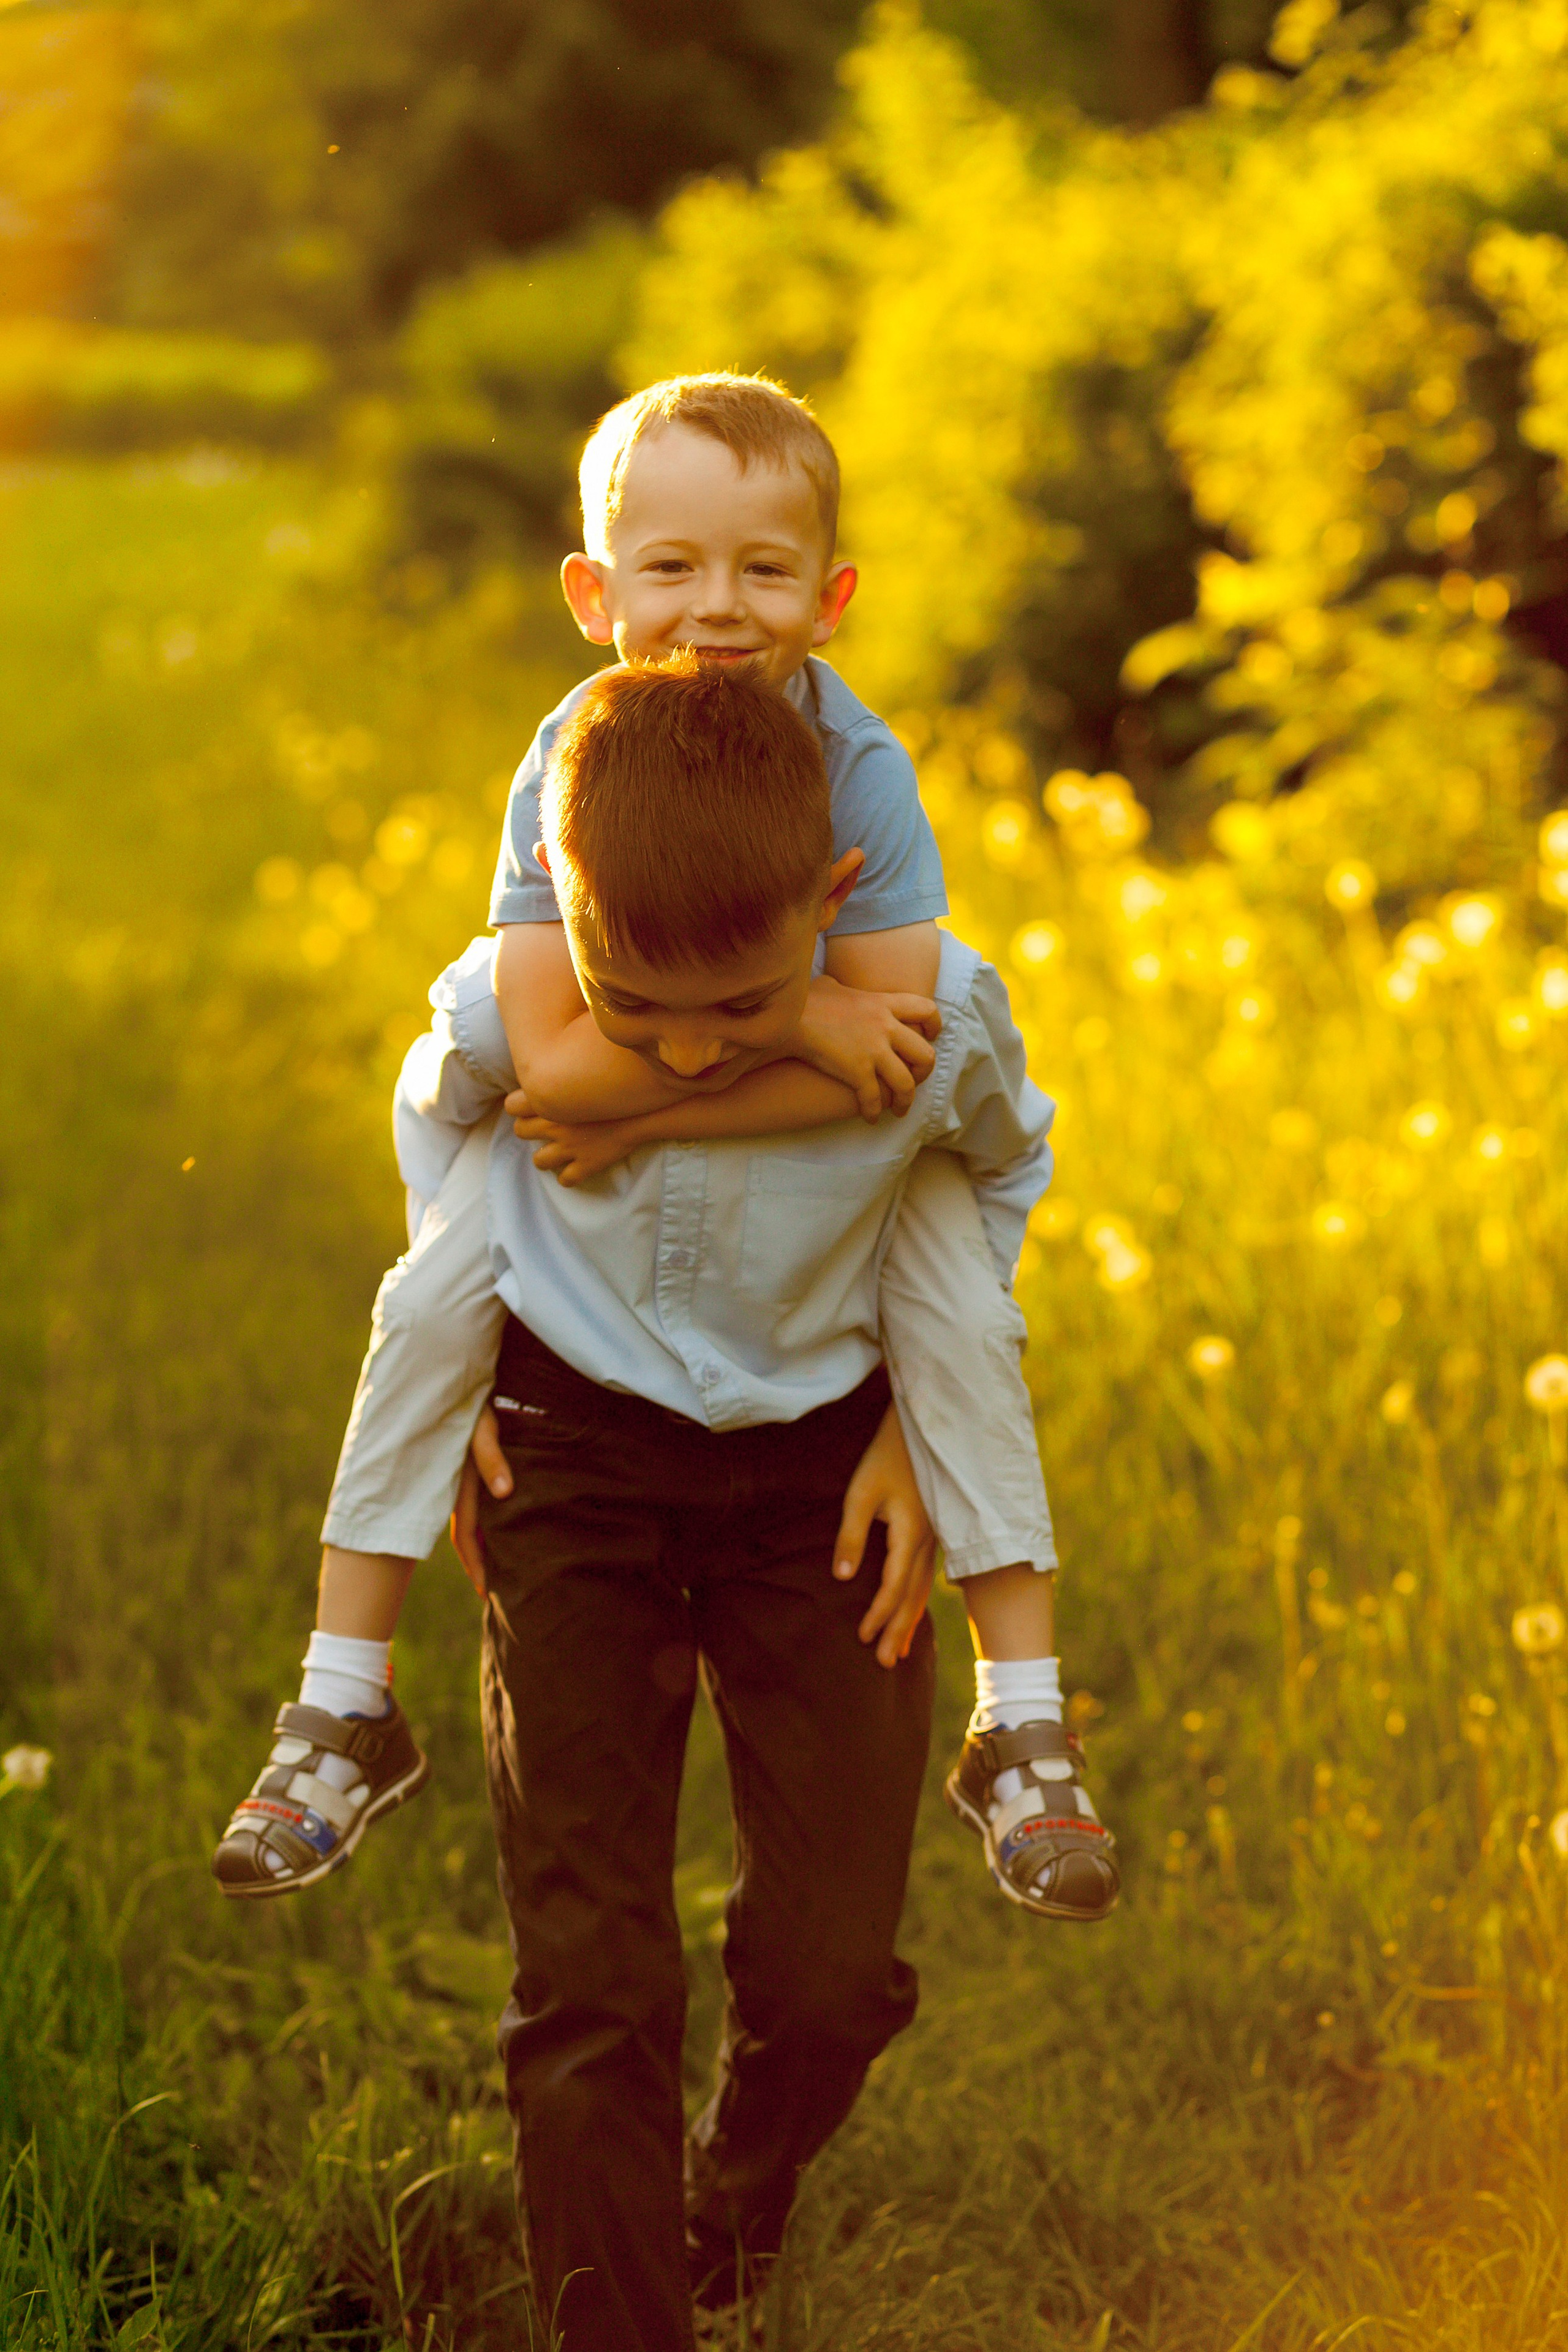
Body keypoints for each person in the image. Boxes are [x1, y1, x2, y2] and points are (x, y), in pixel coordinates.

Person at [212, 372, 1116, 1939]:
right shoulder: (569, 759)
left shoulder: (863, 774)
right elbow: (551, 1059)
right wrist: (780, 1038)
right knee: (428, 1301)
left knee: (963, 1317)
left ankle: (1022, 1716)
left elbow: (898, 1062)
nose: (717, 611)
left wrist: (723, 1068)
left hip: (867, 1168)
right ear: (593, 592)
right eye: (671, 569)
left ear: (828, 602)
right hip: (574, 1174)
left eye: (762, 573)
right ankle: (339, 1698)